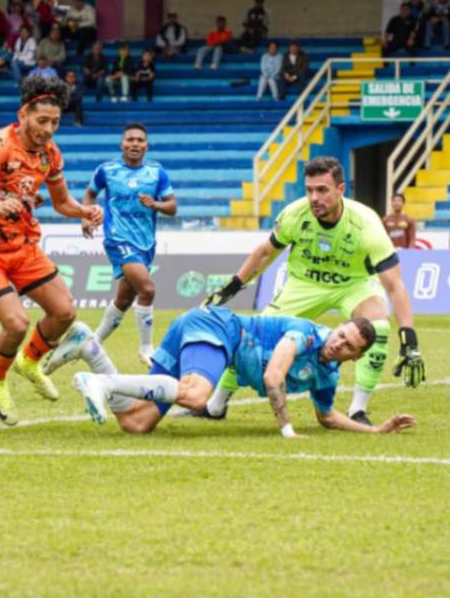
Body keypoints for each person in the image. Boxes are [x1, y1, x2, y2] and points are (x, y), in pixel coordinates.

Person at [204, 156, 426, 426]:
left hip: (353, 284)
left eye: (322, 190)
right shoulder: (295, 214)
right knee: (252, 335)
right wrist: (234, 285)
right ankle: (216, 405)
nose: (314, 197)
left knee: (378, 326)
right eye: (309, 190)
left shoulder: (366, 224)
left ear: (341, 190)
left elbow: (394, 284)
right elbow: (265, 253)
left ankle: (358, 410)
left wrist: (409, 339)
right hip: (304, 284)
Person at [0, 75, 103, 426]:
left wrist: (85, 212)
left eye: (55, 122)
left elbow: (62, 202)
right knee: (16, 322)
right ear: (24, 114)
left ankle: (29, 361)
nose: (49, 129)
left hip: (23, 246)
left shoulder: (50, 154)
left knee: (65, 312)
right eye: (42, 121)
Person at [61, 307, 415, 438]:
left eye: (349, 346)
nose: (339, 344)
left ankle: (91, 350)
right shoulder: (305, 332)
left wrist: (375, 429)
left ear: (356, 356)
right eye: (341, 335)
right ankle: (103, 383)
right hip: (216, 327)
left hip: (201, 332)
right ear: (335, 327)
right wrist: (287, 430)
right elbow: (273, 376)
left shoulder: (328, 374)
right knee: (197, 395)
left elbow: (327, 416)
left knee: (135, 424)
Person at [68, 122, 176, 367]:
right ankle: (147, 349)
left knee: (124, 301)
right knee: (147, 290)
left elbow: (172, 206)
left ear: (147, 146)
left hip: (145, 243)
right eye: (130, 140)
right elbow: (89, 195)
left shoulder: (157, 172)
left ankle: (91, 342)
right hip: (118, 240)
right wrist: (86, 216)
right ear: (122, 144)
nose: (135, 144)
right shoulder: (106, 170)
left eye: (140, 140)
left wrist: (155, 204)